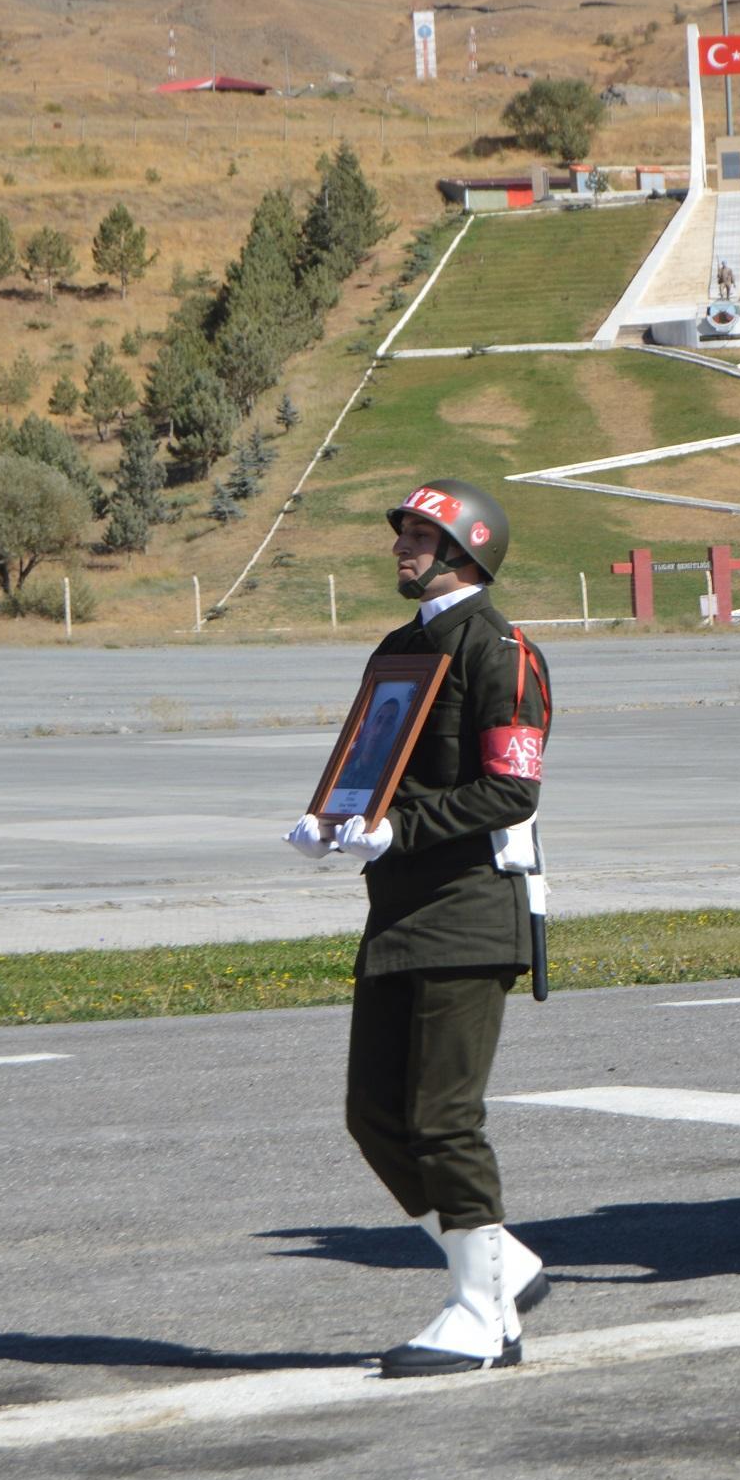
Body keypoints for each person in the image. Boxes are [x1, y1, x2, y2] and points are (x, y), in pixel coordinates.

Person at [283, 477, 553, 1376]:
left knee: (442, 1118)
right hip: (397, 908)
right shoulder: (399, 651)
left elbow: (511, 788)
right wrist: (332, 817)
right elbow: (371, 762)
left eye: (418, 537)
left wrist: (405, 827)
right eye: (400, 534)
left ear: (466, 550)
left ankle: (484, 1317)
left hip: (469, 908)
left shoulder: (502, 650)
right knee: (374, 1115)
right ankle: (501, 1260)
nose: (400, 549)